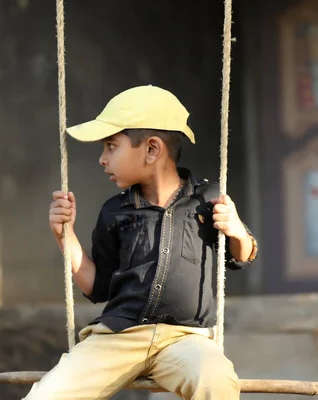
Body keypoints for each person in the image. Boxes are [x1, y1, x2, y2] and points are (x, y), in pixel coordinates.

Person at [23, 85, 258, 400]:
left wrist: (238, 232)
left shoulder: (209, 199)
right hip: (118, 338)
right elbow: (99, 287)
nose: (102, 159)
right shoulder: (114, 211)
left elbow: (240, 256)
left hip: (185, 339)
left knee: (216, 380)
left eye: (110, 146)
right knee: (46, 394)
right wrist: (65, 236)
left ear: (151, 150)